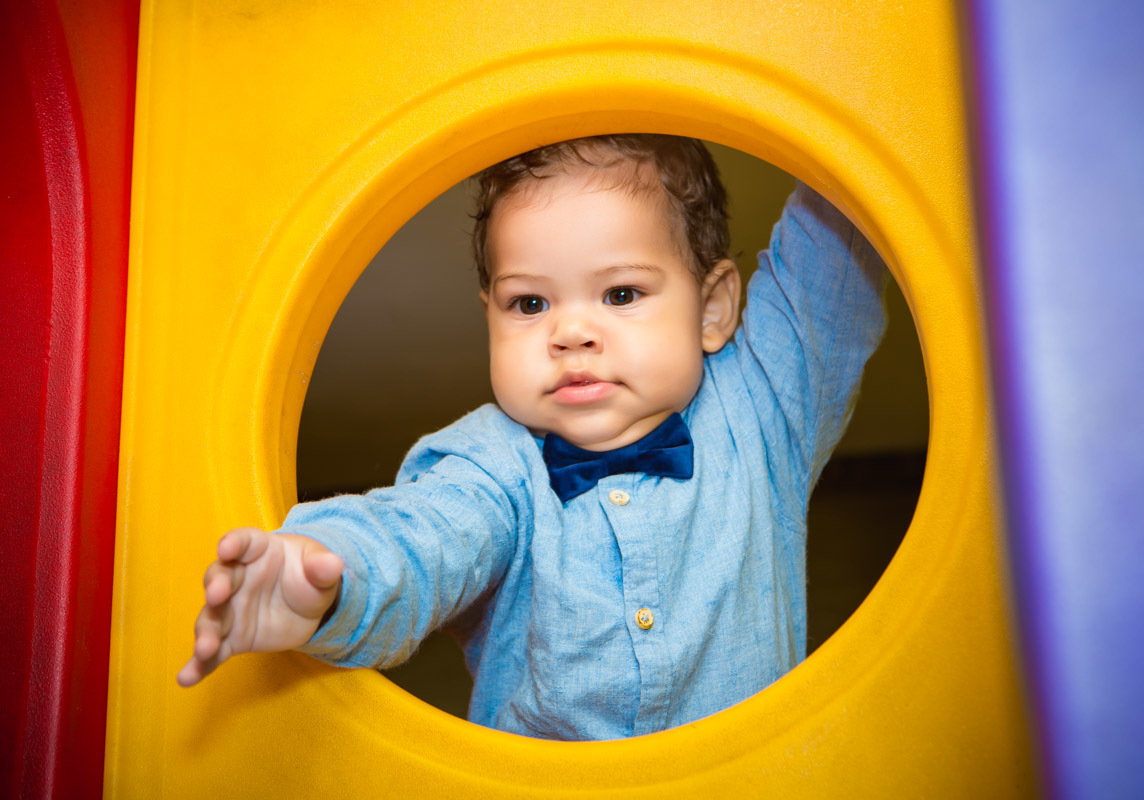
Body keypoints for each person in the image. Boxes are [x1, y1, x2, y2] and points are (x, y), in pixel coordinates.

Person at [177, 134, 888, 740]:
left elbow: (842, 226)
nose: (569, 331)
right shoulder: (489, 465)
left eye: (620, 294)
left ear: (713, 307)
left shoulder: (767, 402)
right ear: (488, 313)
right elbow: (419, 538)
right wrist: (331, 575)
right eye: (530, 302)